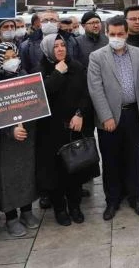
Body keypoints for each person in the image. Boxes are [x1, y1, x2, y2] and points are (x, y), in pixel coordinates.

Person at [88, 16, 139, 220]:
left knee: (135, 158)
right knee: (111, 159)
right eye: (112, 34)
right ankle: (112, 200)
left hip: (135, 113)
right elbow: (95, 89)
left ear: (126, 34)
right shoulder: (97, 56)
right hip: (110, 118)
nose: (116, 38)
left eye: (120, 34)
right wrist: (106, 116)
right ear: (107, 33)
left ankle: (136, 197)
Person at [37, 34, 97, 226]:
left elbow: (87, 94)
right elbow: (41, 95)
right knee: (55, 174)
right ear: (47, 49)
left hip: (74, 127)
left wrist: (80, 114)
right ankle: (60, 209)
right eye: (55, 46)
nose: (61, 49)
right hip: (50, 131)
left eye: (63, 45)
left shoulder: (77, 67)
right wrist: (57, 74)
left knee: (75, 171)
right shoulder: (41, 70)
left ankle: (75, 206)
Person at [0, 41, 41, 236]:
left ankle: (26, 211)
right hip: (6, 141)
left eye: (13, 56)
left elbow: (36, 104)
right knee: (8, 177)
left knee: (26, 174)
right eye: (6, 58)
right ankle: (11, 217)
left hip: (27, 135)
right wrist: (10, 131)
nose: (11, 61)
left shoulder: (26, 77)